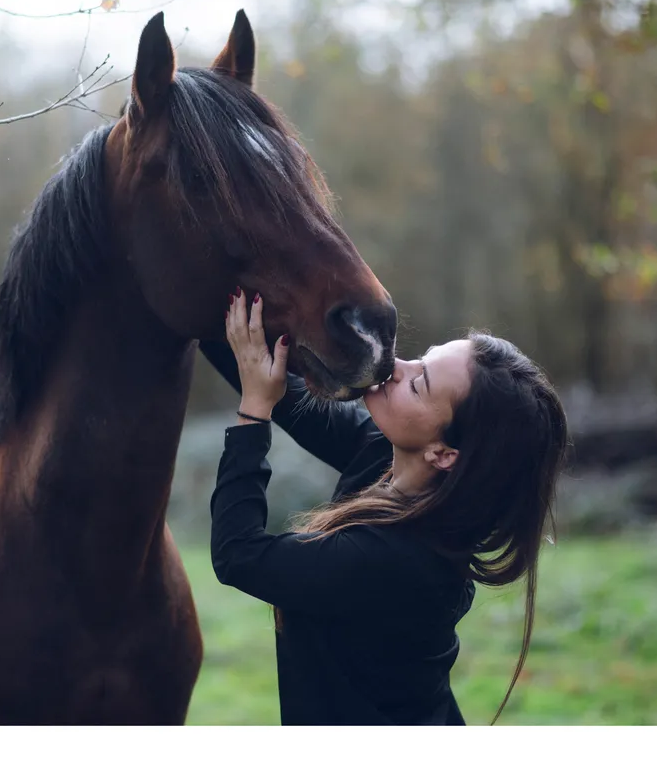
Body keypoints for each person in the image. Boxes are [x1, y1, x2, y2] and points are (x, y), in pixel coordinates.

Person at [202, 288, 569, 726]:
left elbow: (238, 554)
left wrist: (253, 410)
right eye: (421, 359)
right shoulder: (389, 459)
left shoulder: (396, 561)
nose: (395, 366)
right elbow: (292, 399)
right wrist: (203, 318)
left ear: (444, 453)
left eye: (418, 384)